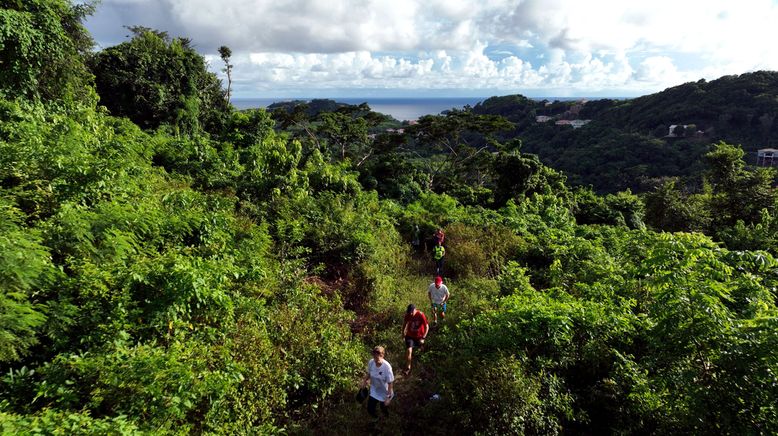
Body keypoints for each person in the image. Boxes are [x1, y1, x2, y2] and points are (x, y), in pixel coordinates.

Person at [361, 346, 394, 423]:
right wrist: (364, 381)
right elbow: (369, 373)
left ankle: (386, 420)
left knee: (384, 408)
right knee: (370, 408)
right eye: (374, 357)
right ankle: (376, 418)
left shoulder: (387, 367)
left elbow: (390, 383)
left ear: (382, 356)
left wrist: (388, 397)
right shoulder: (371, 362)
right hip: (374, 390)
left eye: (377, 358)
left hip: (385, 392)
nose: (375, 360)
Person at [402, 304, 429, 375]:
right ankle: (408, 368)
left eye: (411, 312)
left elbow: (427, 327)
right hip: (410, 335)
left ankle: (422, 366)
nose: (410, 314)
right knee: (409, 350)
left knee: (421, 350)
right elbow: (404, 324)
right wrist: (403, 334)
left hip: (419, 336)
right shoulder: (407, 315)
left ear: (415, 309)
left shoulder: (421, 315)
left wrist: (423, 337)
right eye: (409, 312)